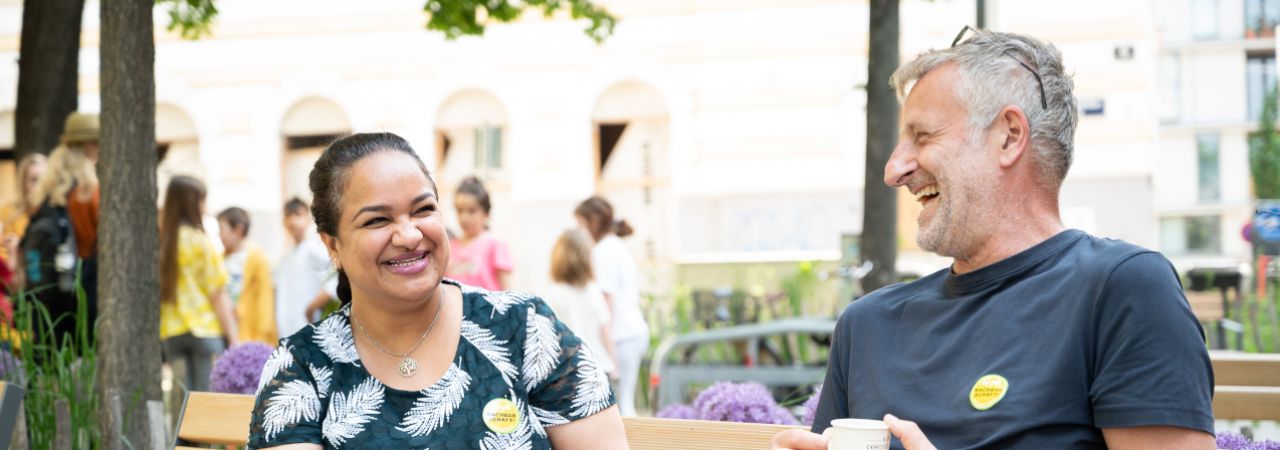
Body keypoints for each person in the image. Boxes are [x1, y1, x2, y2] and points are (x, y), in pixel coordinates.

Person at [771, 29, 1215, 450]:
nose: (895, 170)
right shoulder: (866, 325)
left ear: (1009, 136)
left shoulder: (1120, 289)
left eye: (922, 136)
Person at [248, 132, 627, 449]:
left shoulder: (524, 329)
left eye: (423, 209)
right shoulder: (303, 367)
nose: (410, 234)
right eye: (377, 219)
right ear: (333, 246)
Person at [24, 112, 101, 344]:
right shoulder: (88, 193)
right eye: (98, 143)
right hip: (82, 293)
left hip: (49, 299)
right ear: (88, 145)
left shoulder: (46, 195)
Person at [159, 175, 238, 394]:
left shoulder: (162, 244)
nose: (205, 207)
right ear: (191, 203)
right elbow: (218, 294)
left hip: (172, 331)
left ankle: (176, 431)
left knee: (181, 403)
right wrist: (234, 339)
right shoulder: (201, 242)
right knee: (205, 402)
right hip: (205, 331)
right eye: (203, 200)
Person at [574, 196, 648, 417]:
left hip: (621, 336)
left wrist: (605, 343)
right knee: (624, 405)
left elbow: (606, 302)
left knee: (620, 409)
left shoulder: (603, 252)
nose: (578, 231)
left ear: (592, 222)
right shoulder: (615, 246)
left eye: (580, 224)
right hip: (632, 331)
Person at [544, 228, 619, 379]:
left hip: (567, 371)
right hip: (598, 367)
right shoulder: (593, 291)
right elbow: (605, 332)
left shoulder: (552, 293)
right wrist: (615, 365)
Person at [217, 207, 277, 344]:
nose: (220, 235)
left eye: (222, 229)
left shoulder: (256, 257)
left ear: (238, 229)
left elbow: (265, 299)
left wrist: (262, 335)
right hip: (227, 333)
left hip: (251, 334)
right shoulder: (221, 258)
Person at [275, 197, 332, 338]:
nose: (293, 220)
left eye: (298, 215)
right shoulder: (285, 258)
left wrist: (311, 310)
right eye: (289, 215)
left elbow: (334, 283)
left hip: (311, 332)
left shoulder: (316, 249)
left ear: (308, 218)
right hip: (287, 333)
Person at [445, 175, 512, 291]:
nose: (464, 217)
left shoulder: (495, 244)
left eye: (472, 211)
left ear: (486, 213)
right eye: (460, 210)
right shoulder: (449, 246)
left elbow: (507, 292)